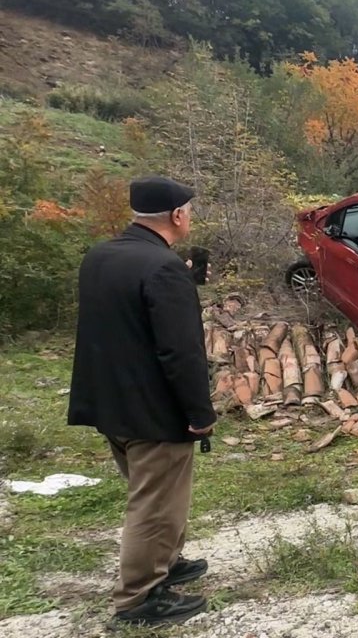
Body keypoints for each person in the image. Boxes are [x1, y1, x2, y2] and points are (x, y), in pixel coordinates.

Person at [68, 176, 216, 625]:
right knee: (154, 505)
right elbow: (180, 350)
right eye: (188, 210)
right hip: (153, 409)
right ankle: (136, 601)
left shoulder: (103, 256)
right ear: (175, 216)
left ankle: (166, 564)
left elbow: (124, 314)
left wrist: (183, 279)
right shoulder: (162, 268)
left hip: (110, 401)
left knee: (157, 496)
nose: (189, 216)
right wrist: (199, 413)